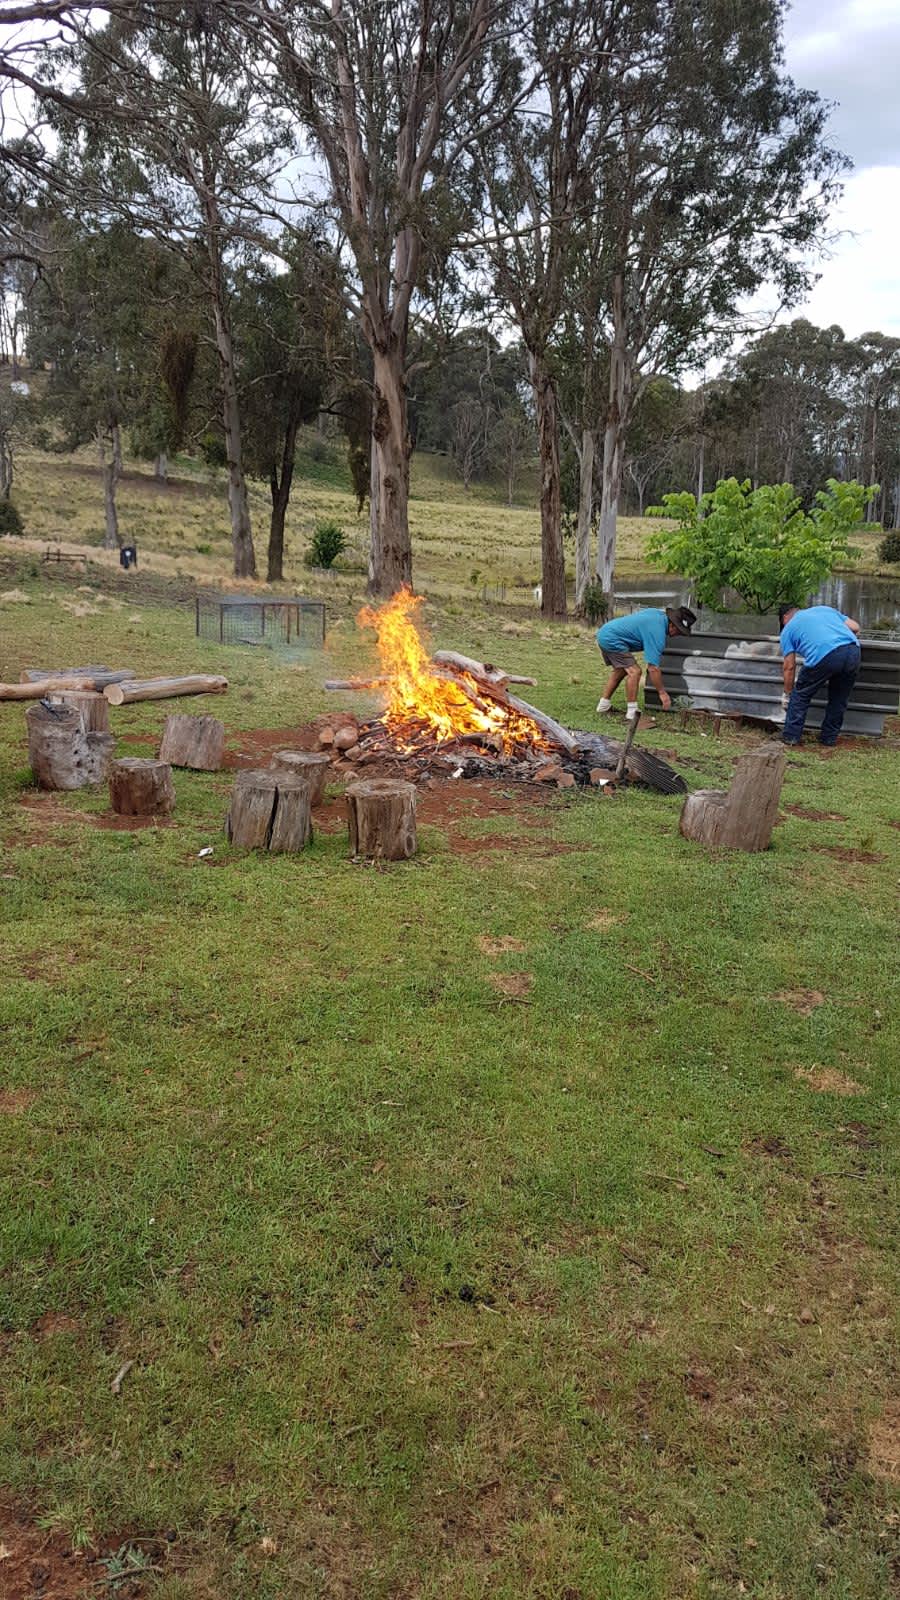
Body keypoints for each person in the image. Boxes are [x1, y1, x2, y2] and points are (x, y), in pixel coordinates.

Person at [778, 603, 861, 747]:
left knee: (800, 695)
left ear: (785, 617)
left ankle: (791, 736)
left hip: (825, 654)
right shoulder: (824, 609)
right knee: (839, 698)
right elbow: (855, 627)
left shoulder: (787, 630)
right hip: (853, 651)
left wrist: (787, 693)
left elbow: (789, 667)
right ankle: (829, 738)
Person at [596, 605, 697, 720]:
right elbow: (652, 668)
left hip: (606, 631)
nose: (677, 635)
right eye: (679, 631)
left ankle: (603, 706)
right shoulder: (657, 633)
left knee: (620, 671)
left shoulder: (658, 615)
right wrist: (662, 693)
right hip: (611, 638)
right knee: (635, 672)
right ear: (672, 624)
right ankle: (632, 713)